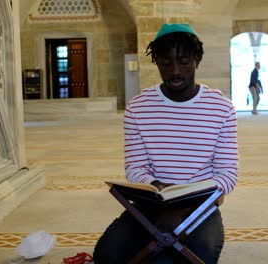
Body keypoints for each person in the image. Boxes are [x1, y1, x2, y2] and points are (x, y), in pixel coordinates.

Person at [93, 23, 239, 263]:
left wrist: (181, 208)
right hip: (152, 202)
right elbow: (135, 168)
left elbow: (227, 174)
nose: (175, 71)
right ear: (157, 62)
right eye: (166, 62)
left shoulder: (221, 108)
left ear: (197, 60)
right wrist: (162, 199)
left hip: (200, 206)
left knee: (199, 253)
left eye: (183, 61)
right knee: (107, 255)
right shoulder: (138, 108)